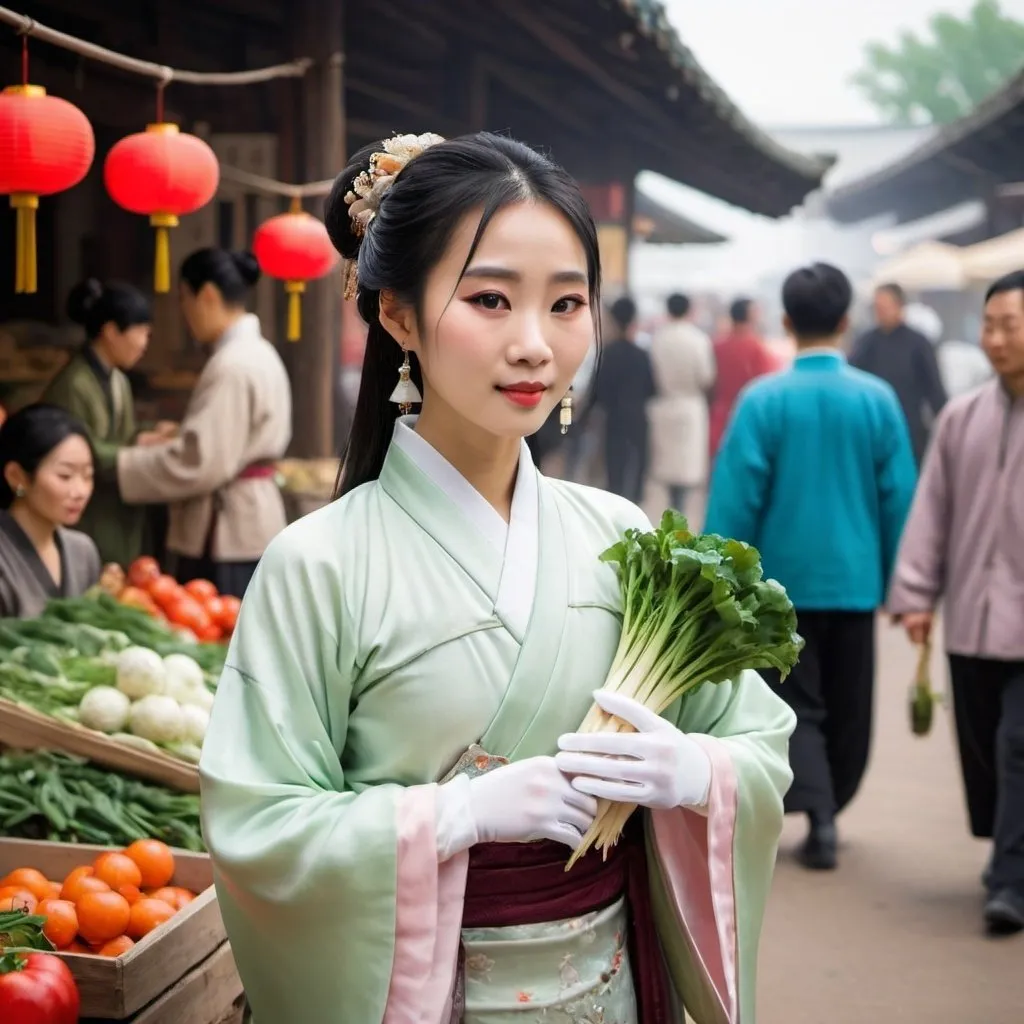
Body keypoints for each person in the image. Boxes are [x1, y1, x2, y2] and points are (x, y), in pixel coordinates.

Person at [198, 130, 795, 1024]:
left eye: (566, 303)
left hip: (613, 992)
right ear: (397, 315)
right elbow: (257, 828)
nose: (535, 345)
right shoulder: (316, 563)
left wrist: (697, 775)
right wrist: (455, 817)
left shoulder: (620, 536)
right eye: (489, 299)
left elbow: (756, 742)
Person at [705, 263, 917, 871]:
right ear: (847, 322)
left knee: (796, 703)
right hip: (855, 582)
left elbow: (736, 499)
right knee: (850, 705)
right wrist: (905, 585)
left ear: (788, 322)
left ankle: (816, 811)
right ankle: (830, 809)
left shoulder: (763, 400)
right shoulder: (877, 400)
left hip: (780, 589)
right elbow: (899, 495)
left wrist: (722, 585)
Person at [888, 269, 1024, 936]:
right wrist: (916, 594)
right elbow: (932, 511)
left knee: (1017, 744)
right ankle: (1008, 846)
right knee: (982, 751)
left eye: (1010, 327)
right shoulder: (962, 417)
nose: (996, 340)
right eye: (990, 326)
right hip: (972, 617)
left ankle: (1009, 879)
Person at [115, 249, 291, 598]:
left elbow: (201, 462)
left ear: (207, 295)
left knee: (219, 637)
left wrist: (118, 466)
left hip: (228, 531)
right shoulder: (258, 352)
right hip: (248, 523)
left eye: (185, 299)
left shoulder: (233, 364)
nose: (185, 314)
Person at [43, 279, 162, 568]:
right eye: (141, 333)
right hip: (85, 511)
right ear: (111, 331)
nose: (145, 344)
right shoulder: (73, 383)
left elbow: (124, 435)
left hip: (115, 509)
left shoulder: (119, 379)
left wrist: (147, 436)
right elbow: (73, 451)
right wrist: (132, 454)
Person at [0, 405, 100, 617]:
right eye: (65, 475)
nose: (81, 491)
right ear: (16, 476)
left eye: (88, 476)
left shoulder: (83, 552)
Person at [849, 283, 947, 465]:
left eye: (885, 307)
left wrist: (946, 426)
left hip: (911, 427)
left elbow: (935, 390)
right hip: (873, 428)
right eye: (877, 308)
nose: (881, 312)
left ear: (900, 306)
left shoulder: (918, 343)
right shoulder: (865, 343)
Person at [647, 292, 715, 515]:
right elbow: (706, 377)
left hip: (664, 405)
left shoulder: (658, 338)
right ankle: (681, 512)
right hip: (690, 407)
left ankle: (671, 512)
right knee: (686, 468)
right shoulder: (698, 339)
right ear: (689, 310)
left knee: (667, 468)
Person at [589, 296, 655, 502]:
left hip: (614, 420)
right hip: (638, 419)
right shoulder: (642, 354)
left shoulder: (607, 353)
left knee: (614, 470)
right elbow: (652, 389)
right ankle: (635, 511)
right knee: (637, 470)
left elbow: (597, 392)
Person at [708, 297, 775, 462]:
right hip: (747, 422)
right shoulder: (757, 348)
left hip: (718, 420)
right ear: (751, 316)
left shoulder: (717, 346)